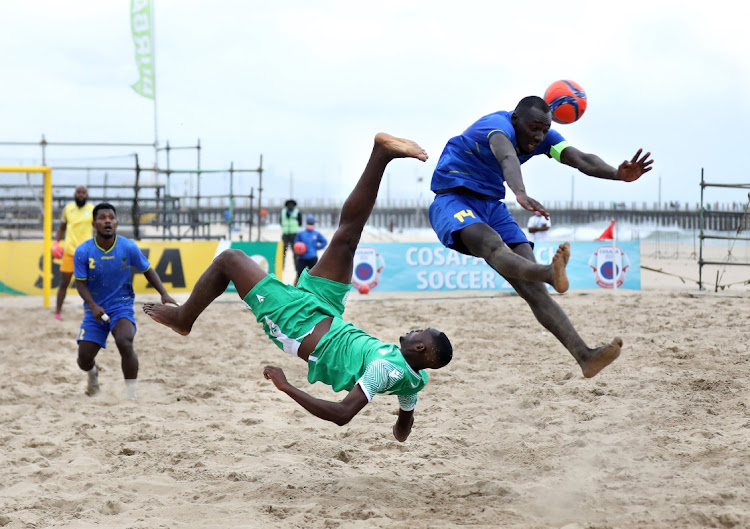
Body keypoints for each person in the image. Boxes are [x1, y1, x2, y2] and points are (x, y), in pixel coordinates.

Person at [143, 133, 453, 441]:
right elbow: (404, 424)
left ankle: (184, 319)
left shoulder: (384, 370)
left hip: (300, 326)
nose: (414, 329)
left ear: (420, 348)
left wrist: (286, 385)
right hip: (329, 312)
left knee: (229, 259)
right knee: (346, 239)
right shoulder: (416, 379)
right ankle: (382, 153)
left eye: (420, 332)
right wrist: (402, 427)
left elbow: (343, 414)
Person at [429, 96, 653, 378]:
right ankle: (549, 272)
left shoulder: (544, 137)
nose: (539, 136)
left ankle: (585, 356)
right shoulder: (496, 128)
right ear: (516, 120)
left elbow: (580, 159)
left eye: (545, 130)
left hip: (491, 205)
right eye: (534, 128)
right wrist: (520, 193)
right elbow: (507, 157)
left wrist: (616, 174)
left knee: (534, 291)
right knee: (493, 247)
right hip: (453, 199)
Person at [74, 203, 177, 399]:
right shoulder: (83, 251)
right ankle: (93, 374)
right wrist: (93, 306)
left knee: (124, 341)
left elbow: (148, 270)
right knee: (83, 358)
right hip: (95, 311)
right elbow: (80, 284)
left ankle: (131, 394)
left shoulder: (128, 246)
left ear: (116, 222)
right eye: (102, 218)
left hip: (121, 306)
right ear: (94, 223)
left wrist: (163, 293)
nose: (107, 221)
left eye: (111, 218)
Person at [53, 185, 95, 320]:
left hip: (87, 254)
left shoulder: (92, 210)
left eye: (83, 192)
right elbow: (62, 227)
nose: (81, 195)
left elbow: (99, 229)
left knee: (88, 286)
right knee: (64, 283)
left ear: (87, 195)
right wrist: (56, 243)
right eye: (78, 192)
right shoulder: (68, 209)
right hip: (69, 252)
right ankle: (58, 312)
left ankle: (88, 312)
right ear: (75, 194)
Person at [293, 215, 328, 286]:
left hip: (312, 257)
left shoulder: (316, 234)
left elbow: (324, 241)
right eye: (309, 223)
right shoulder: (301, 234)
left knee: (313, 274)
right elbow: (295, 243)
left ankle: (312, 288)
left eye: (312, 223)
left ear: (314, 224)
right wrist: (298, 250)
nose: (310, 224)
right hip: (302, 257)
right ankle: (296, 287)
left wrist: (317, 247)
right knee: (299, 274)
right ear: (306, 223)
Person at [281, 199, 302, 266]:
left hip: (294, 235)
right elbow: (281, 222)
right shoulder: (283, 212)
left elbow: (300, 223)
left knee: (296, 253)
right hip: (285, 235)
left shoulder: (297, 212)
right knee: (283, 253)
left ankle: (297, 269)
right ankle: (281, 268)